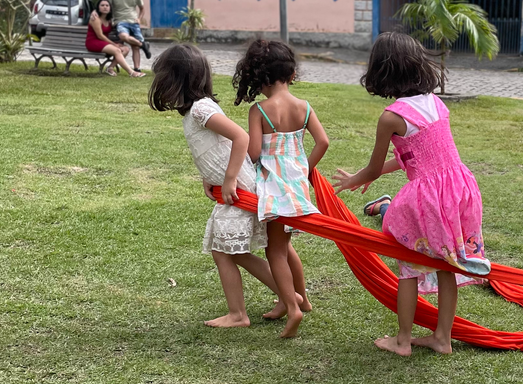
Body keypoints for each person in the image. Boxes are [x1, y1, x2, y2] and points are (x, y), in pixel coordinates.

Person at [333, 32, 490, 358]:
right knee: (447, 264)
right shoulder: (436, 102)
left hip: (429, 200)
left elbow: (374, 169)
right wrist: (371, 174)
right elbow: (417, 157)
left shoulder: (391, 117)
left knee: (408, 265)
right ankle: (442, 339)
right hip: (459, 190)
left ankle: (402, 341)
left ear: (382, 70)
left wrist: (353, 180)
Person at [148, 44, 310, 328]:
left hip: (240, 189)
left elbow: (240, 138)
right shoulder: (197, 110)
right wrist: (210, 177)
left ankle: (242, 313)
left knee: (225, 250)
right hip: (236, 186)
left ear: (177, 79)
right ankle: (289, 297)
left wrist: (230, 178)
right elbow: (214, 148)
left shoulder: (201, 109)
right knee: (240, 248)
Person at [232, 39, 329, 340]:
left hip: (274, 187)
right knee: (285, 245)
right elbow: (323, 142)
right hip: (297, 185)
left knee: (274, 250)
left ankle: (292, 306)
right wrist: (304, 169)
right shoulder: (304, 107)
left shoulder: (259, 110)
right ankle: (303, 299)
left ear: (261, 77)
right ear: (290, 73)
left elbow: (256, 153)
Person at [85, 0, 143, 77]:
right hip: (94, 42)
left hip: (104, 42)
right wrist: (114, 44)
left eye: (107, 5)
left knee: (125, 49)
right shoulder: (95, 19)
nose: (105, 7)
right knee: (117, 50)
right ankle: (132, 72)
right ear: (98, 7)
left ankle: (110, 68)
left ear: (110, 8)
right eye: (102, 5)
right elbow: (100, 35)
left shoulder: (109, 20)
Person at [108, 0, 151, 70]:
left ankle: (137, 68)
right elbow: (105, 6)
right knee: (123, 36)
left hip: (134, 22)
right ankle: (143, 45)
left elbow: (142, 8)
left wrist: (139, 18)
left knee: (135, 46)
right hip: (120, 22)